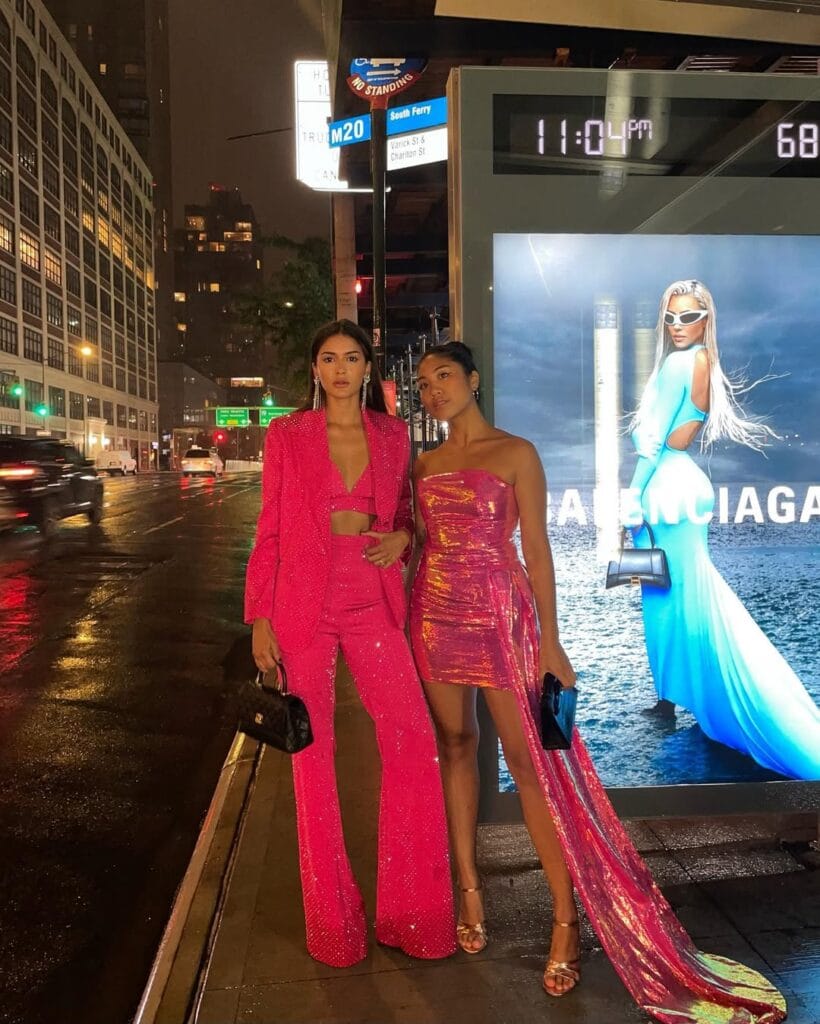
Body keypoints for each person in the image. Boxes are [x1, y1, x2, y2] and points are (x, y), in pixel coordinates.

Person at [410, 340, 786, 1021]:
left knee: (533, 765)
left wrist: (551, 641)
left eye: (444, 375)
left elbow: (538, 551)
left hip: (502, 616)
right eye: (423, 382)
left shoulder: (517, 452)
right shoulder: (424, 463)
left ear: (473, 379)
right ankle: (467, 890)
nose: (433, 388)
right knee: (456, 748)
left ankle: (565, 916)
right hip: (434, 613)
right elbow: (420, 538)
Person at [245, 319, 455, 968]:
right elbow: (271, 526)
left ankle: (413, 914)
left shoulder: (394, 436)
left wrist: (406, 539)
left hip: (371, 595)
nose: (340, 368)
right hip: (302, 605)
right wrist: (259, 618)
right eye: (329, 358)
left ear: (368, 369)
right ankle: (333, 925)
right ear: (315, 370)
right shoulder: (288, 434)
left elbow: (407, 517)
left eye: (352, 357)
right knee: (314, 758)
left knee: (414, 739)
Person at [627, 280, 820, 779]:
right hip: (680, 489)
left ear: (706, 319)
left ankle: (681, 700)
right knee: (683, 597)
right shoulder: (701, 365)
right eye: (670, 318)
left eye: (687, 317)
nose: (677, 327)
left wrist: (631, 495)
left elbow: (658, 441)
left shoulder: (681, 365)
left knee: (670, 600)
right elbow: (681, 430)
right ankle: (679, 698)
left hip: (664, 490)